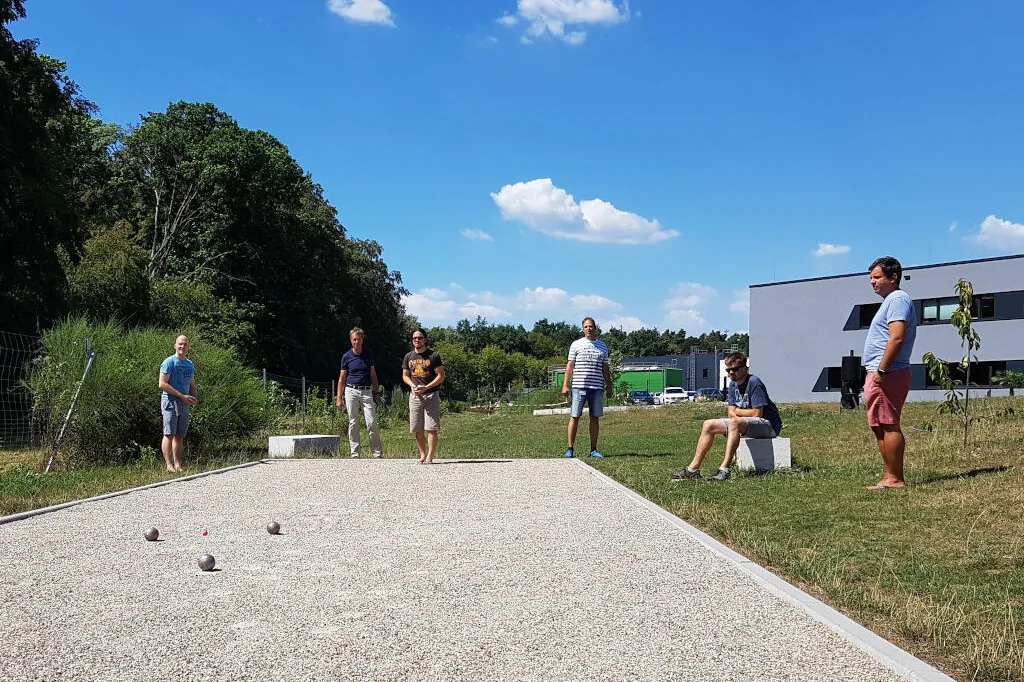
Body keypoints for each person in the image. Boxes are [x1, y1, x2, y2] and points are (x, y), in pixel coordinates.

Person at [672, 351, 782, 481]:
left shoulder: (754, 382)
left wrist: (738, 410)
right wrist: (737, 412)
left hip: (768, 425)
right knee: (709, 424)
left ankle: (724, 470)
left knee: (735, 422)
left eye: (735, 369)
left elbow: (757, 413)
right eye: (728, 370)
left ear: (745, 368)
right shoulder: (732, 384)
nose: (731, 373)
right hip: (745, 423)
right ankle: (693, 469)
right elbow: (730, 412)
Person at [863, 256, 917, 490]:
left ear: (893, 277)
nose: (872, 282)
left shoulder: (897, 299)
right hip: (878, 371)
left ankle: (895, 478)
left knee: (888, 422)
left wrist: (882, 370)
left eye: (877, 277)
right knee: (878, 424)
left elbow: (896, 337)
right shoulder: (890, 301)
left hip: (887, 372)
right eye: (871, 278)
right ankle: (889, 475)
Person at [561, 317, 613, 458]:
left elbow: (605, 367)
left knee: (594, 418)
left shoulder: (602, 346)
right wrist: (565, 385)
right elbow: (570, 365)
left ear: (595, 328)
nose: (589, 329)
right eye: (586, 327)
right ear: (583, 329)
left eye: (591, 326)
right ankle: (570, 449)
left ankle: (594, 449)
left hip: (596, 387)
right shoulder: (576, 344)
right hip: (579, 386)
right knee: (575, 416)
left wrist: (609, 385)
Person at [335, 327, 383, 459]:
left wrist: (376, 391)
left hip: (367, 391)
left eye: (359, 339)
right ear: (351, 340)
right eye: (354, 339)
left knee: (371, 422)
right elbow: (342, 379)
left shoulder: (368, 355)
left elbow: (373, 374)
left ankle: (377, 453)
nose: (356, 342)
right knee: (353, 422)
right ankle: (355, 453)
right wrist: (339, 398)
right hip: (351, 391)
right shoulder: (346, 357)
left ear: (362, 340)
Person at [402, 328, 445, 464]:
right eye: (414, 338)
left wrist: (427, 387)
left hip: (431, 395)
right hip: (415, 396)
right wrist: (412, 385)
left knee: (431, 427)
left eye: (420, 338)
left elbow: (440, 376)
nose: (417, 340)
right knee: (417, 428)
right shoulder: (408, 357)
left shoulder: (433, 356)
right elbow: (405, 376)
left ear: (425, 340)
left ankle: (430, 457)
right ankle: (422, 454)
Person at [158, 335, 197, 473]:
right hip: (170, 401)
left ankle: (178, 465)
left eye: (184, 344)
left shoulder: (189, 364)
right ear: (175, 345)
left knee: (180, 435)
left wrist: (194, 397)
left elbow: (192, 384)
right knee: (169, 433)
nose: (182, 346)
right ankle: (168, 465)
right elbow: (162, 384)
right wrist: (181, 395)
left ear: (188, 347)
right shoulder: (169, 362)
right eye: (180, 344)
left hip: (184, 403)